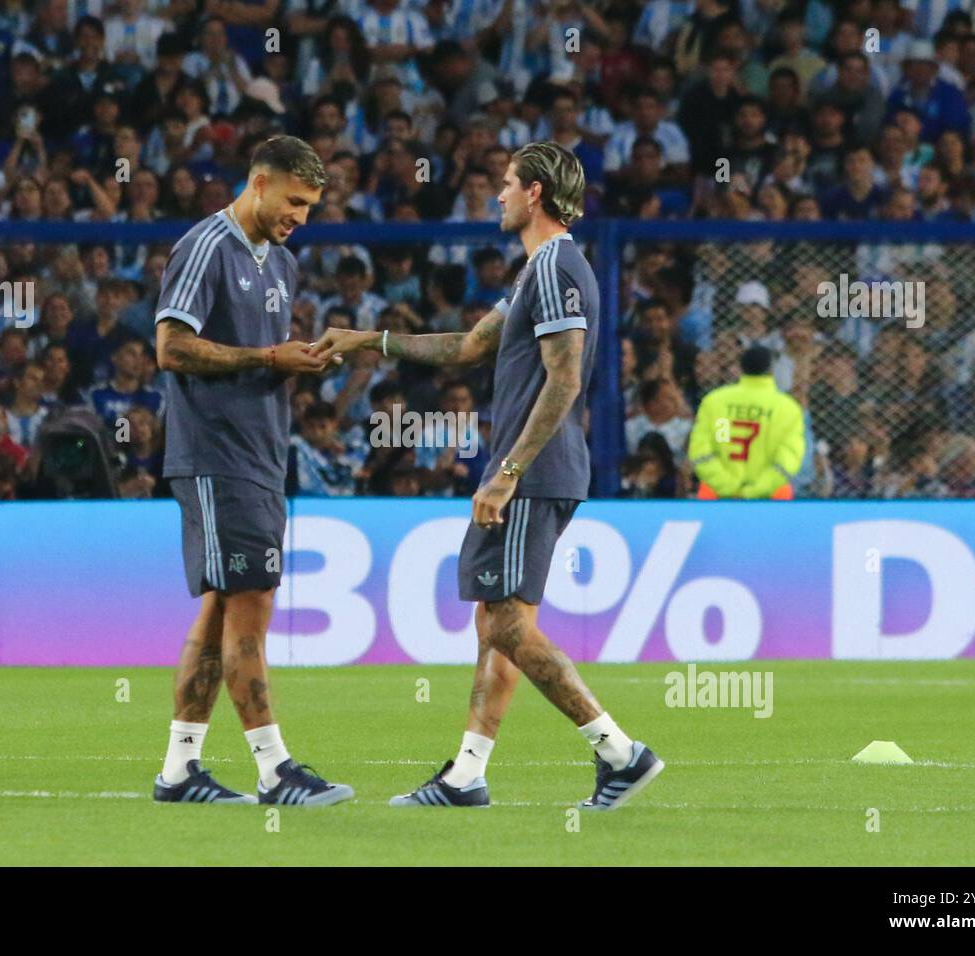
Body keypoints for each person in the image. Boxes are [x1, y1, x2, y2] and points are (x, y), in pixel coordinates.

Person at [312, 142, 665, 810]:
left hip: (535, 472)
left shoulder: (558, 264)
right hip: (539, 470)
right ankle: (467, 776)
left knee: (505, 623)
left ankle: (620, 752)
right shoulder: (537, 270)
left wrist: (506, 472)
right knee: (497, 620)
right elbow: (467, 347)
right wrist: (367, 340)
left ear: (534, 193)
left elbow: (564, 378)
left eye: (505, 185)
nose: (495, 196)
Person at [152, 135, 353, 807]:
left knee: (220, 611)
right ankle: (275, 769)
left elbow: (267, 355)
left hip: (261, 456)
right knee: (251, 605)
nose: (300, 215)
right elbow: (172, 347)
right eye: (294, 200)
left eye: (310, 206)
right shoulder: (206, 246)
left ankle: (179, 770)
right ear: (258, 182)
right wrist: (270, 359)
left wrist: (297, 360)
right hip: (216, 455)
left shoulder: (283, 263)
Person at [687, 345, 805, 500]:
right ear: (771, 370)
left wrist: (728, 486)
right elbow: (788, 459)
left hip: (717, 497)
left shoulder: (717, 401)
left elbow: (703, 451)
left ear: (740, 368)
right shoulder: (787, 408)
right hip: (771, 498)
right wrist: (754, 491)